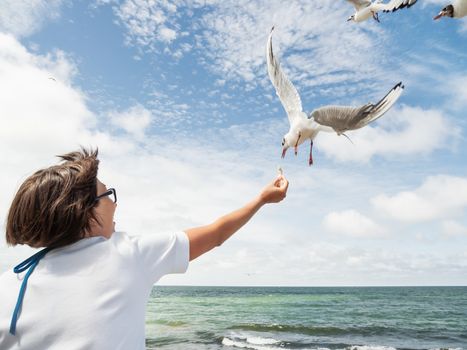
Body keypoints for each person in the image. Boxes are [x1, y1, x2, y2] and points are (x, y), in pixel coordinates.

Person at [0, 148, 288, 349]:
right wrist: (262, 199)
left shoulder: (9, 283)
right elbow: (216, 234)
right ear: (86, 212)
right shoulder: (126, 255)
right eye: (107, 194)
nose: (114, 202)